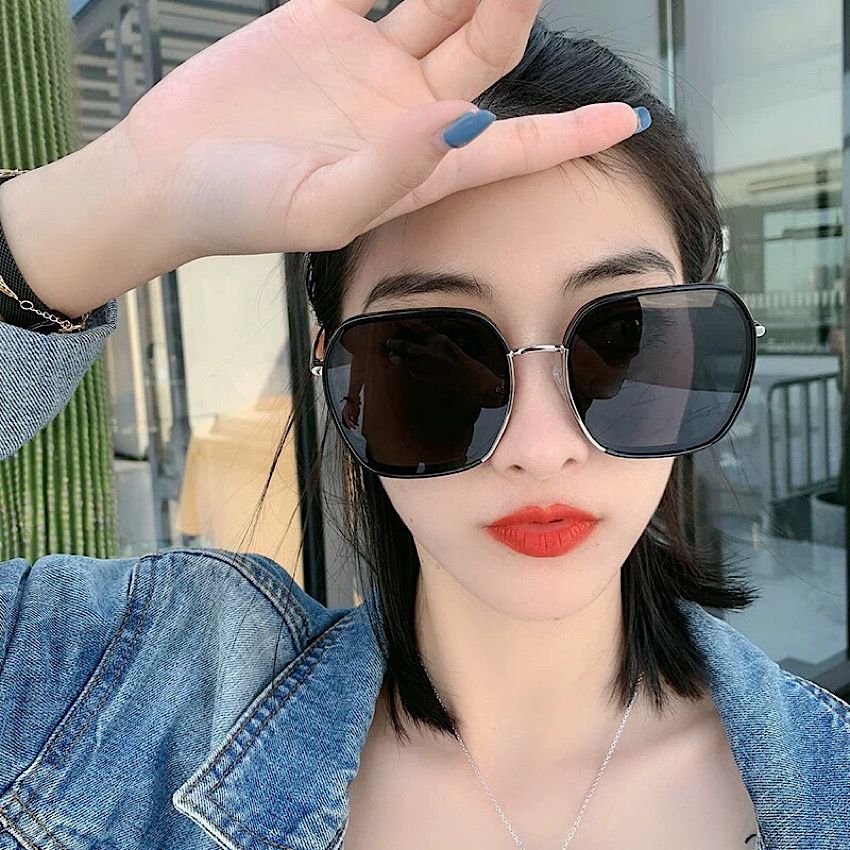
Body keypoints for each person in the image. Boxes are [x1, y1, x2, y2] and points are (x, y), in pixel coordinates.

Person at [0, 1, 846, 848]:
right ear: (339, 377)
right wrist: (125, 191)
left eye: (622, 337)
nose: (540, 449)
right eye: (428, 357)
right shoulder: (133, 698)